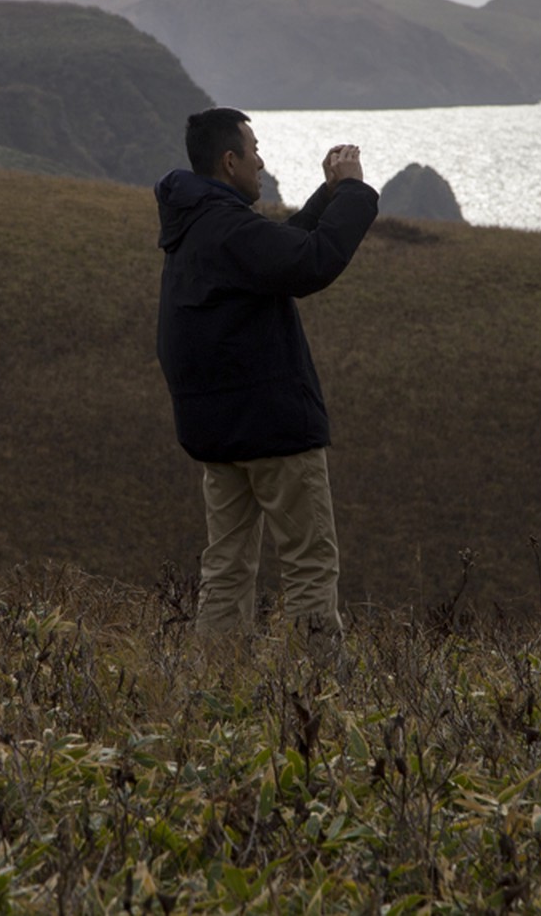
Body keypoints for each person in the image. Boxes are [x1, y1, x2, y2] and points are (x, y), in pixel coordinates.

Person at [154, 106, 377, 646]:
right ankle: (311, 704)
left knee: (226, 568)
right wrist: (352, 193)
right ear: (230, 161)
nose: (261, 161)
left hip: (220, 434)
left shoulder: (196, 224)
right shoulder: (226, 226)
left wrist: (325, 197)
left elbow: (277, 253)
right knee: (309, 566)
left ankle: (215, 693)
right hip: (273, 430)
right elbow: (309, 263)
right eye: (254, 151)